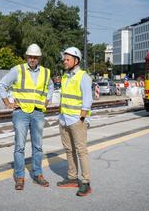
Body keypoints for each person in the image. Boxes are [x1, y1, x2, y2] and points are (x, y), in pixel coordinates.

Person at [0, 43, 54, 191]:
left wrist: (47, 101)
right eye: (30, 57)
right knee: (20, 146)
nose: (33, 59)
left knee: (38, 146)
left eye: (35, 57)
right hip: (21, 113)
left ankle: (38, 174)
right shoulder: (18, 70)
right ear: (26, 57)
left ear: (39, 58)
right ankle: (20, 177)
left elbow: (50, 87)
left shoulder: (46, 72)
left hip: (38, 113)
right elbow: (1, 85)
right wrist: (8, 103)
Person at [57, 47, 93, 197]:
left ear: (76, 60)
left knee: (81, 151)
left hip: (77, 120)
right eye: (64, 59)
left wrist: (82, 119)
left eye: (67, 59)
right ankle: (72, 178)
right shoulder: (65, 76)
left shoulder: (83, 76)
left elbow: (87, 100)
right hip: (64, 119)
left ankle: (85, 182)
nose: (64, 61)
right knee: (69, 150)